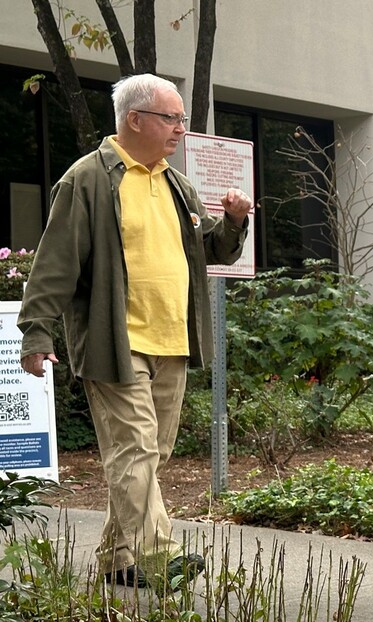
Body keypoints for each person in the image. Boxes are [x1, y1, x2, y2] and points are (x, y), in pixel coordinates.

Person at [17, 73, 251, 591]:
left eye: (182, 119)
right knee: (136, 451)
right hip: (114, 341)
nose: (181, 130)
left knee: (149, 454)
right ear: (135, 119)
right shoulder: (88, 180)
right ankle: (156, 556)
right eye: (172, 118)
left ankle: (117, 557)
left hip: (173, 340)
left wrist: (233, 222)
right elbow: (54, 264)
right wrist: (37, 332)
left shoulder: (176, 183)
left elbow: (212, 251)